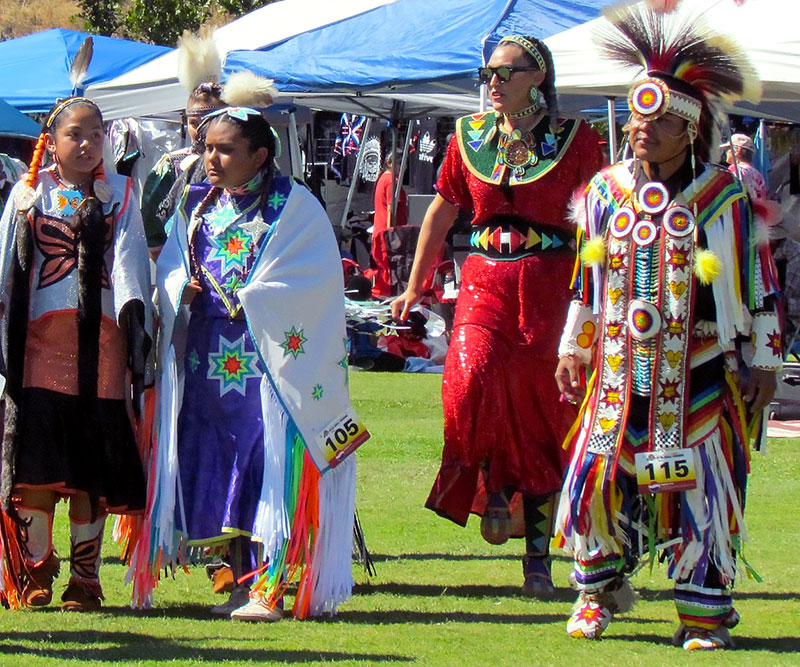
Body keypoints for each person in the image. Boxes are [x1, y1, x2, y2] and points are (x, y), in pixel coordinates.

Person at [553, 5, 781, 649]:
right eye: (635, 118)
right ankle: (596, 590)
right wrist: (573, 346)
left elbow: (757, 285)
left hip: (700, 372)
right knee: (599, 476)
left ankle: (703, 612)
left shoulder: (722, 197)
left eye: (657, 121)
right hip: (619, 371)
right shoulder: (604, 193)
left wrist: (764, 361)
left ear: (688, 130)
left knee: (702, 485)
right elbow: (584, 281)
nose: (639, 131)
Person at [392, 35, 602, 596]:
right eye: (487, 72)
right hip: (485, 279)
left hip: (552, 286)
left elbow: (598, 223)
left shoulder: (577, 140)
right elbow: (443, 208)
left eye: (505, 72)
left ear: (538, 77)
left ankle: (536, 559)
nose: (493, 82)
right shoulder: (469, 138)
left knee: (542, 412)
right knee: (466, 384)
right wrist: (415, 284)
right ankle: (493, 486)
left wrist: (598, 297)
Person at [134, 107, 363, 621]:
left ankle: (271, 586)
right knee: (217, 459)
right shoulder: (194, 205)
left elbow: (315, 279)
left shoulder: (294, 206)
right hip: (206, 358)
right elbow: (170, 265)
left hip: (269, 362)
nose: (210, 158)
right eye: (207, 147)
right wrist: (179, 291)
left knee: (267, 464)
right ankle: (240, 583)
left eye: (225, 149)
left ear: (259, 155)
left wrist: (260, 297)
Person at [0, 97, 152, 611]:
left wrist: (135, 324)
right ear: (54, 140)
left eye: (96, 134)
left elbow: (132, 266)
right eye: (75, 135)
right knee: (34, 462)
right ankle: (36, 568)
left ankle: (86, 578)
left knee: (91, 462)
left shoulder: (123, 195)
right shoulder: (28, 193)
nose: (86, 144)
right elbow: (4, 268)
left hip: (102, 349)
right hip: (38, 345)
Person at [371, 152, 409, 296]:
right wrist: (390, 234)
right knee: (389, 276)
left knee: (385, 274)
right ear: (390, 163)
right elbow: (391, 211)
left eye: (403, 163)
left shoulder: (383, 178)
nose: (403, 167)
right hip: (388, 235)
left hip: (381, 233)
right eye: (399, 164)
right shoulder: (391, 181)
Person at [723, 133, 768, 201]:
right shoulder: (758, 174)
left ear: (737, 151)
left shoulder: (735, 170)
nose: (726, 152)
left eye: (728, 149)